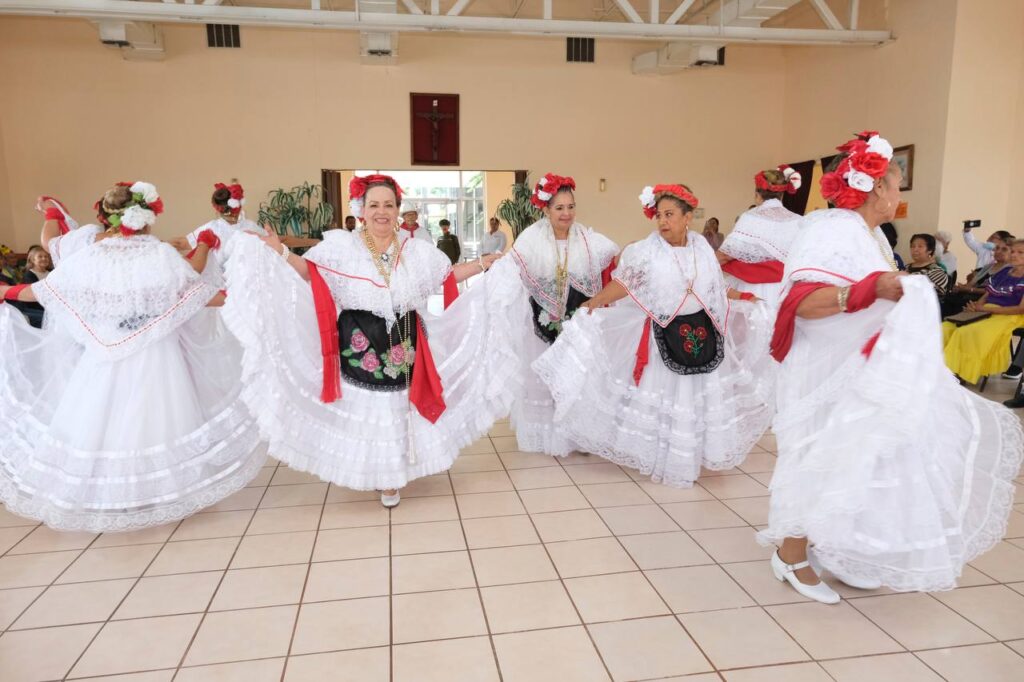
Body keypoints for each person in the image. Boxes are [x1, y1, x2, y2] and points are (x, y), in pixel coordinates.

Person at [761, 130, 1021, 603]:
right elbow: (802, 302)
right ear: (878, 186)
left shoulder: (872, 234)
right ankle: (791, 554)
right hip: (825, 370)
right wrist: (874, 290)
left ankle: (827, 545)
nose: (899, 196)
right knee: (821, 456)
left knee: (862, 458)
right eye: (897, 184)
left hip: (862, 371)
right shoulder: (830, 228)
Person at [221, 173, 515, 508]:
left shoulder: (417, 250)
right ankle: (377, 471)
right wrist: (282, 252)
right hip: (360, 338)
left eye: (389, 205)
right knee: (373, 410)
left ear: (398, 210)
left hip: (404, 341)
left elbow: (444, 278)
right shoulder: (342, 247)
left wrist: (481, 264)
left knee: (398, 407)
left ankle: (392, 476)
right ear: (362, 209)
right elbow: (311, 273)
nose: (382, 211)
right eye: (374, 204)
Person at [0, 181, 267, 531]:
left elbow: (45, 290)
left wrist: (8, 291)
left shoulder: (90, 255)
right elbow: (199, 293)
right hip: (155, 351)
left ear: (108, 216)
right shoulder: (159, 255)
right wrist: (251, 292)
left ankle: (108, 493)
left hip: (103, 351)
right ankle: (158, 489)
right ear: (148, 217)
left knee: (102, 418)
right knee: (154, 416)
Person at [534, 183, 774, 487]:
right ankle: (665, 457)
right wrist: (594, 302)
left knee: (696, 399)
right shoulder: (647, 251)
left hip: (701, 332)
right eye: (659, 215)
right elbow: (626, 284)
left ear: (688, 217)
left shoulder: (702, 248)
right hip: (662, 335)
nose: (663, 221)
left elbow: (715, 288)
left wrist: (744, 297)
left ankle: (692, 455)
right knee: (667, 398)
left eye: (670, 214)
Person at [482, 173, 619, 456]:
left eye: (570, 207)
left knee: (576, 373)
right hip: (541, 318)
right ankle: (546, 435)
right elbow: (513, 267)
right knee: (544, 375)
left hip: (578, 315)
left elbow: (614, 258)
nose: (566, 213)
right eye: (559, 208)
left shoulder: (587, 238)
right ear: (546, 210)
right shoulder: (532, 237)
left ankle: (579, 435)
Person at [718, 166, 803, 305]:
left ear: (757, 194)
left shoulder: (750, 217)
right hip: (788, 289)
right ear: (782, 195)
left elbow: (726, 255)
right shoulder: (798, 220)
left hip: (753, 289)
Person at [942, 241, 1024, 384]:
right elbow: (987, 294)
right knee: (945, 328)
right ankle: (937, 368)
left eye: (1020, 252)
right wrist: (975, 307)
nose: (1014, 255)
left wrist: (985, 309)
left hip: (1010, 315)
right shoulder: (1005, 271)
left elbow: (1020, 309)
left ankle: (959, 372)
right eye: (1013, 251)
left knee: (967, 332)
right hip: (987, 310)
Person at [169, 181, 263, 289]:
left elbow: (181, 243)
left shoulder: (211, 228)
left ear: (217, 208)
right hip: (245, 287)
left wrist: (158, 248)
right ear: (239, 206)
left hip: (226, 288)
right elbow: (273, 245)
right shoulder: (250, 227)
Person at [906, 233, 948, 297]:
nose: (915, 250)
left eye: (920, 246)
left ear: (930, 250)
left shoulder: (937, 272)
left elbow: (934, 295)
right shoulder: (905, 267)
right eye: (912, 246)